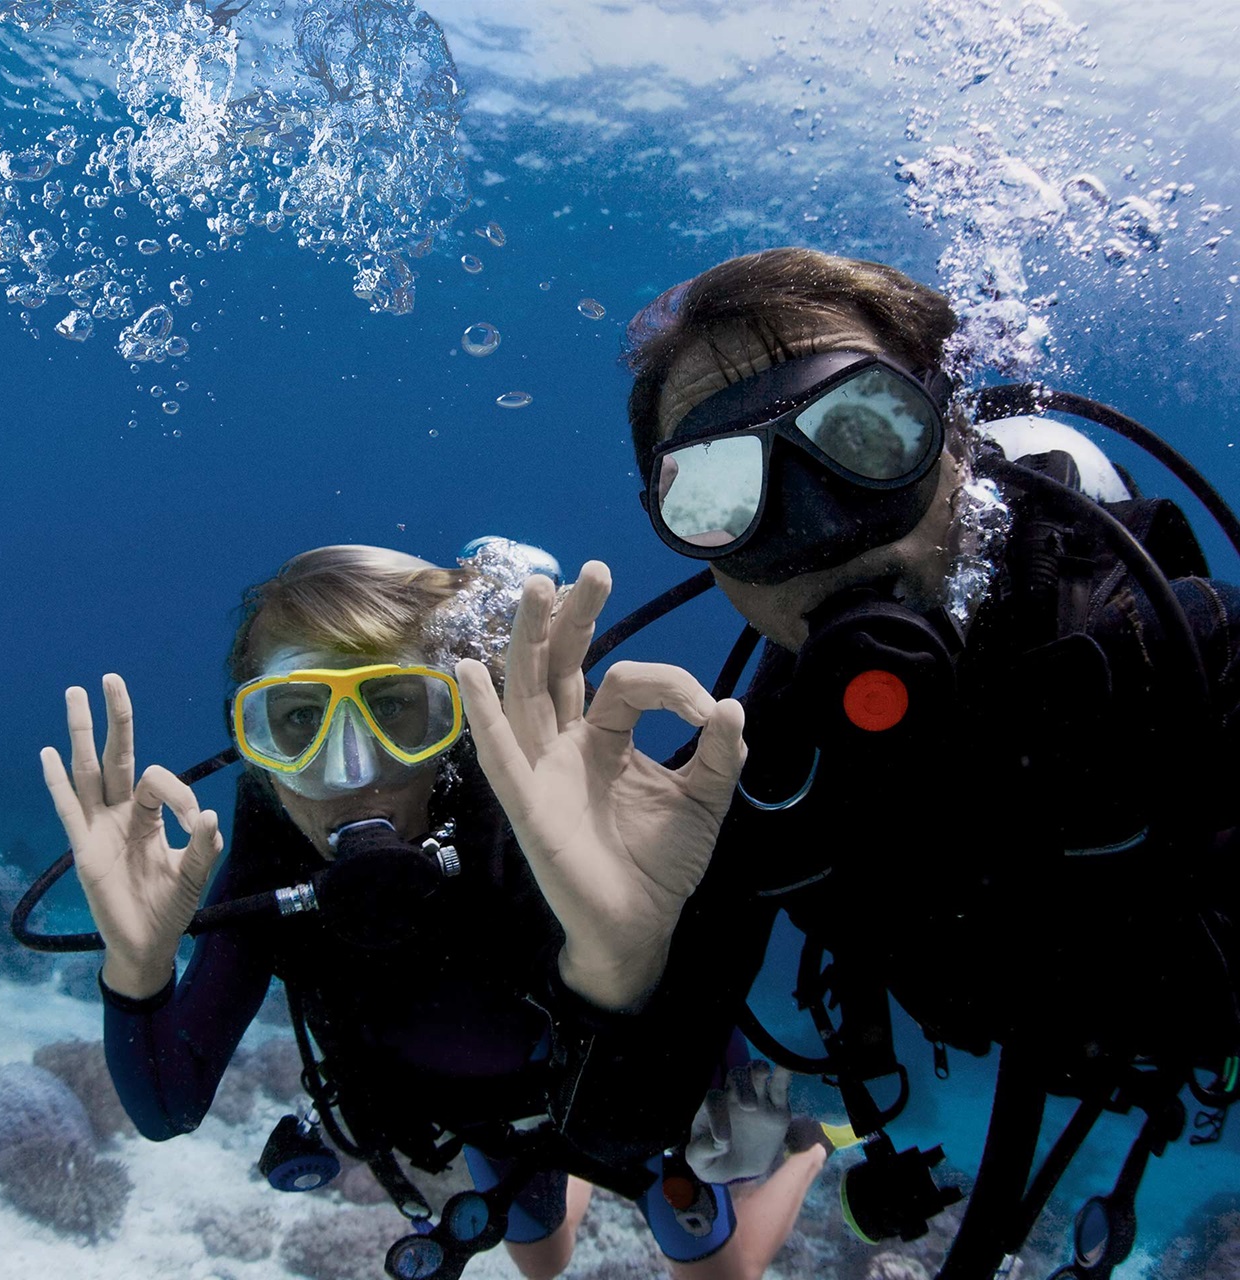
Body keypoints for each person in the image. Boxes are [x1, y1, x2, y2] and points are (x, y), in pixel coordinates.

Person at [485, 244, 1240, 1274]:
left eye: (860, 435)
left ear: (954, 440)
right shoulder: (755, 774)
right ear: (700, 550)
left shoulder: (1176, 658)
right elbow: (616, 1131)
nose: (812, 523)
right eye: (718, 489)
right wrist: (615, 962)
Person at [39, 542, 822, 1280]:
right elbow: (167, 1106)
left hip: (620, 1081)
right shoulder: (267, 853)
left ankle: (807, 1153)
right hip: (484, 1125)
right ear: (255, 745)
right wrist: (138, 969)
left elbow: (655, 1033)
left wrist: (673, 1020)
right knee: (541, 1263)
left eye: (395, 708)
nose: (350, 771)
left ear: (451, 724)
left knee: (722, 1272)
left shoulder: (524, 817)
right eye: (300, 718)